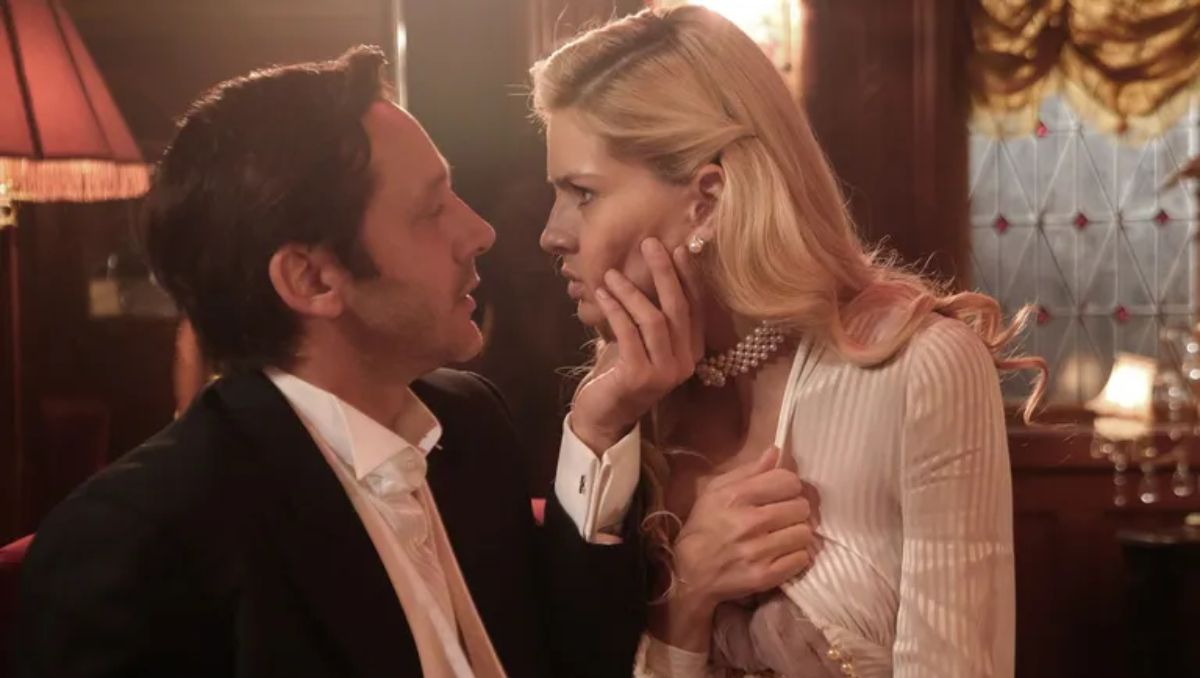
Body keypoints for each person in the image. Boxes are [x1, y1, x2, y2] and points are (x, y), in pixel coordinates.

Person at [17, 45, 702, 678]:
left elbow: (570, 657)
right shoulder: (138, 539)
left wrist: (598, 430)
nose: (479, 231)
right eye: (430, 210)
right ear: (312, 280)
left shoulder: (468, 421)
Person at [532, 6, 1046, 677]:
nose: (551, 234)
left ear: (707, 199)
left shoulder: (916, 369)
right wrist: (684, 598)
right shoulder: (620, 405)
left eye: (582, 193)